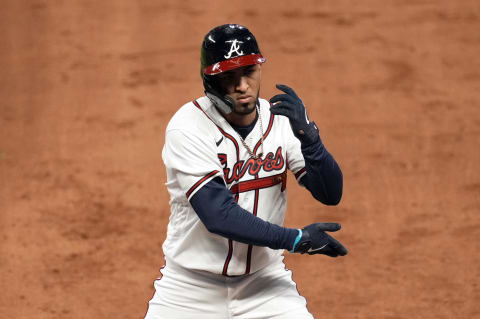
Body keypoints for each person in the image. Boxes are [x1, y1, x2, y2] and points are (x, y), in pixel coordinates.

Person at [144, 24, 347, 319]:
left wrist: (311, 141)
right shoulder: (187, 126)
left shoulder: (280, 122)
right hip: (189, 290)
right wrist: (294, 238)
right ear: (210, 81)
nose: (242, 85)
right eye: (229, 77)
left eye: (248, 72)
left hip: (264, 284)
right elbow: (218, 214)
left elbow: (330, 193)